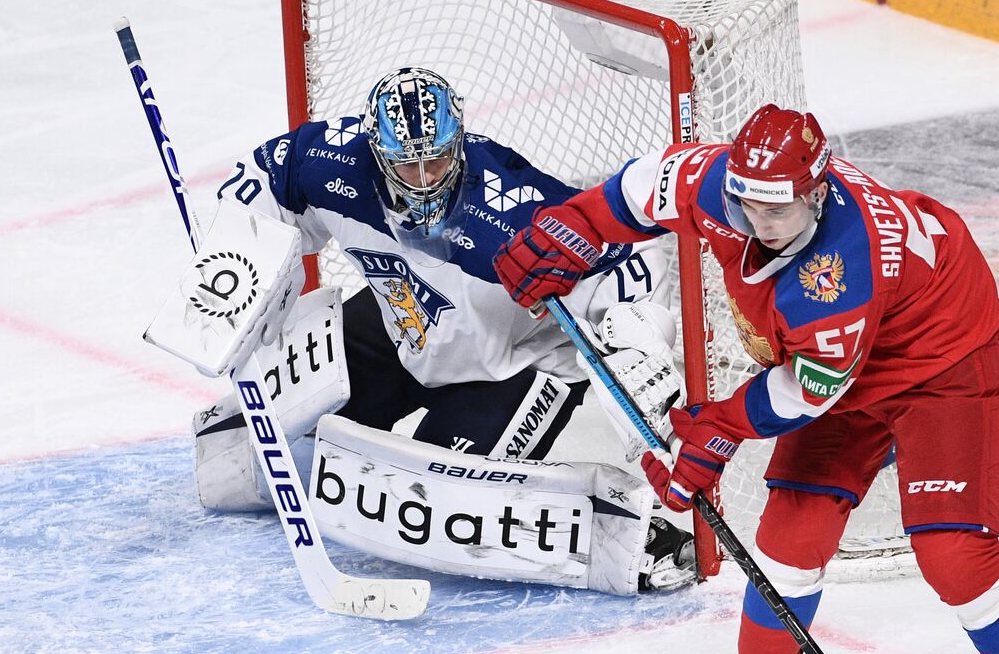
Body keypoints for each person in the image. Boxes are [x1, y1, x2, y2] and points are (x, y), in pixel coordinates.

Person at [494, 104, 999, 654]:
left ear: (817, 192)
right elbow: (641, 188)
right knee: (789, 541)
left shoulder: (841, 269)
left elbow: (806, 390)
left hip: (942, 362)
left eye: (778, 210)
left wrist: (714, 431)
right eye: (748, 204)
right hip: (833, 364)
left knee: (953, 554)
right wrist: (576, 226)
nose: (760, 224)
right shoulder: (720, 184)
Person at [194, 66, 695, 592]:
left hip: (513, 366)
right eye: (406, 165)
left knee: (426, 506)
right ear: (376, 153)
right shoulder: (333, 162)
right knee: (260, 448)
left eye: (435, 160)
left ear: (458, 144)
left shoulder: (511, 208)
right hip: (406, 323)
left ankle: (622, 536)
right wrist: (235, 261)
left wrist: (637, 336)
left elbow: (631, 252)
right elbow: (272, 173)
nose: (424, 179)